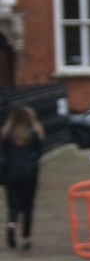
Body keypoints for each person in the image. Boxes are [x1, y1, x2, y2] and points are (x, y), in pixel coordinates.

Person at [1, 105, 43, 251]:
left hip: (11, 173)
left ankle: (12, 225)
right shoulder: (34, 133)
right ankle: (26, 239)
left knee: (13, 204)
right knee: (28, 206)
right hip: (29, 173)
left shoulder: (6, 134)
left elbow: (3, 155)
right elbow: (39, 152)